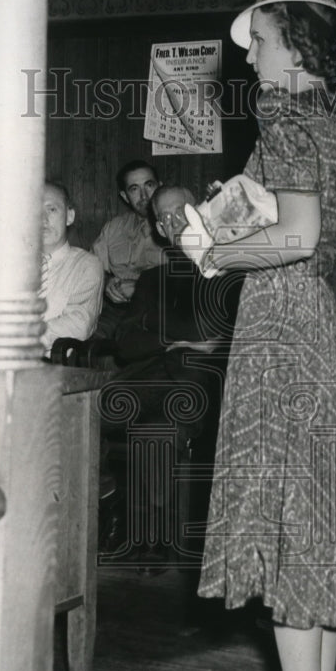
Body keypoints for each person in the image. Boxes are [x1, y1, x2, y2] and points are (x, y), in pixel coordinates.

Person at [179, 0, 336, 671]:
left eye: (259, 41)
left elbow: (296, 235)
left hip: (279, 326)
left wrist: (217, 252)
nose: (252, 57)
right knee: (311, 526)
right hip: (319, 324)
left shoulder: (282, 111)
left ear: (293, 41)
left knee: (288, 526)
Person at [100, 185, 242, 573]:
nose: (171, 222)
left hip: (202, 389)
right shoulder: (153, 279)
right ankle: (102, 502)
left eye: (179, 211)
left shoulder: (233, 270)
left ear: (200, 211)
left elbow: (229, 337)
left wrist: (166, 331)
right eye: (162, 219)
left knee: (158, 429)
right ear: (158, 231)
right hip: (143, 381)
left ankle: (153, 545)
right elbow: (126, 342)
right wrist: (179, 339)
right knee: (74, 412)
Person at [91, 159, 165, 337]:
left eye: (149, 185)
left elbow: (188, 280)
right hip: (116, 312)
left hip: (160, 310)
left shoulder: (178, 226)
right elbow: (91, 268)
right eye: (134, 189)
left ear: (160, 187)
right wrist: (107, 282)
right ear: (125, 196)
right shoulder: (114, 228)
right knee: (83, 342)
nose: (144, 195)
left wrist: (141, 288)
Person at [39, 181, 104, 356]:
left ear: (69, 216)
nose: (43, 219)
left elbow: (78, 325)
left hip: (54, 365)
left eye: (52, 209)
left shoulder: (87, 265)